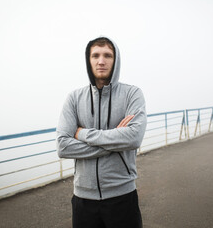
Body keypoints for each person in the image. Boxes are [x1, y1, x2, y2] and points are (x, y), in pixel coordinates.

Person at [56, 36, 147, 228]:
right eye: (95, 55)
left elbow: (133, 138)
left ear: (116, 60)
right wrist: (115, 142)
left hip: (123, 197)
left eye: (108, 55)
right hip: (83, 200)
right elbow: (63, 146)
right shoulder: (74, 98)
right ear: (88, 61)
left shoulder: (132, 94)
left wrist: (81, 134)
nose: (101, 61)